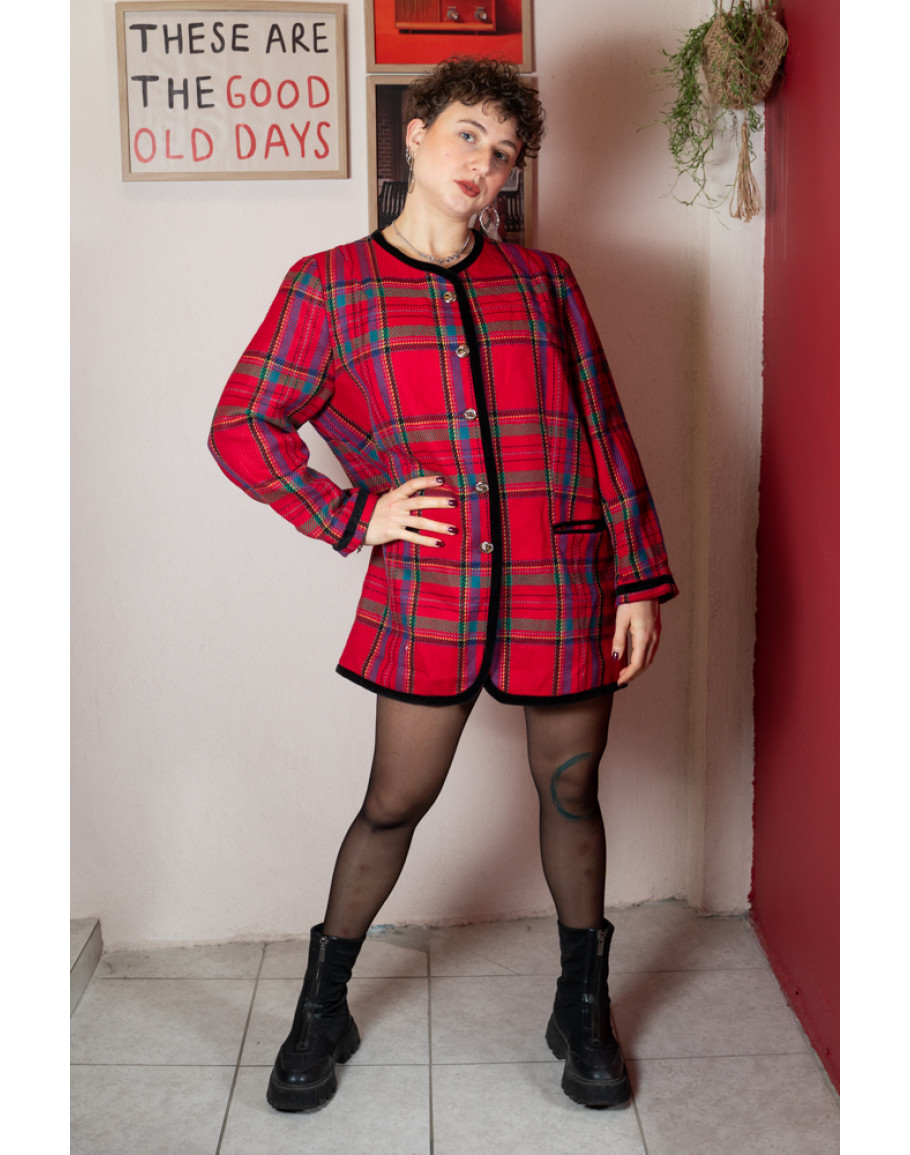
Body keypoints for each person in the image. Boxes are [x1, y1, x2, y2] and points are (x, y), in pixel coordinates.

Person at [209, 56, 678, 1114]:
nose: (485, 165)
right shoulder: (330, 285)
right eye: (468, 134)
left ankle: (583, 1006)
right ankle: (321, 1007)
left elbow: (603, 431)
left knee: (571, 793)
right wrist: (352, 514)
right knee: (393, 802)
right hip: (431, 587)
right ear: (415, 133)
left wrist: (639, 579)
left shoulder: (546, 283)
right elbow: (242, 425)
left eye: (504, 153)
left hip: (564, 578)